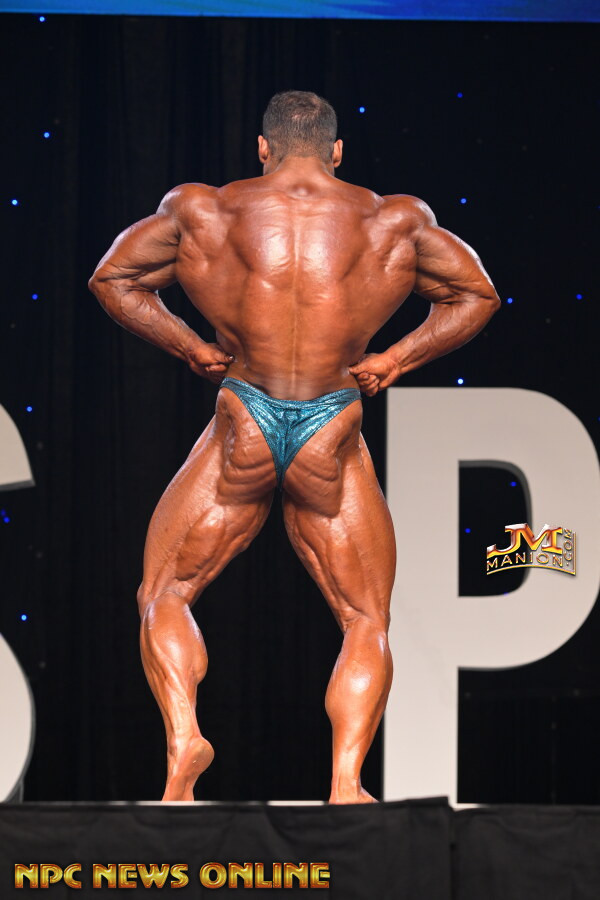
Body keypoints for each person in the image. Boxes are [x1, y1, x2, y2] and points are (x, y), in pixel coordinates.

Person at [88, 90, 500, 803]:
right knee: (364, 617)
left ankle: (184, 738)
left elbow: (113, 278)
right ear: (337, 151)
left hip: (244, 416)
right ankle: (346, 782)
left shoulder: (202, 209)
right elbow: (478, 294)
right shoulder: (394, 220)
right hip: (331, 424)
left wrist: (189, 345)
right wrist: (396, 359)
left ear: (262, 147)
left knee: (165, 591)